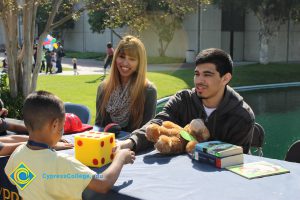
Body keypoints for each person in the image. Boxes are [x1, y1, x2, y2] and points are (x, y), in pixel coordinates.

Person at [118, 48, 255, 154]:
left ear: (225, 78)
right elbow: (158, 123)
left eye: (207, 74)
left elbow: (235, 162)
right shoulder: (182, 100)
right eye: (197, 74)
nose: (199, 81)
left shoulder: (242, 116)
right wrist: (130, 142)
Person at [5, 91, 135, 199]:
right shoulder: (63, 163)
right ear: (55, 124)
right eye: (62, 128)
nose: (61, 133)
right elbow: (102, 184)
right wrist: (120, 157)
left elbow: (22, 181)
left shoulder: (17, 154)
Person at [95, 35, 157, 132]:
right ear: (115, 58)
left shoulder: (148, 91)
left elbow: (146, 133)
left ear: (139, 63)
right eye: (122, 57)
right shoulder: (103, 88)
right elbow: (98, 127)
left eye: (132, 59)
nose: (125, 63)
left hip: (132, 146)